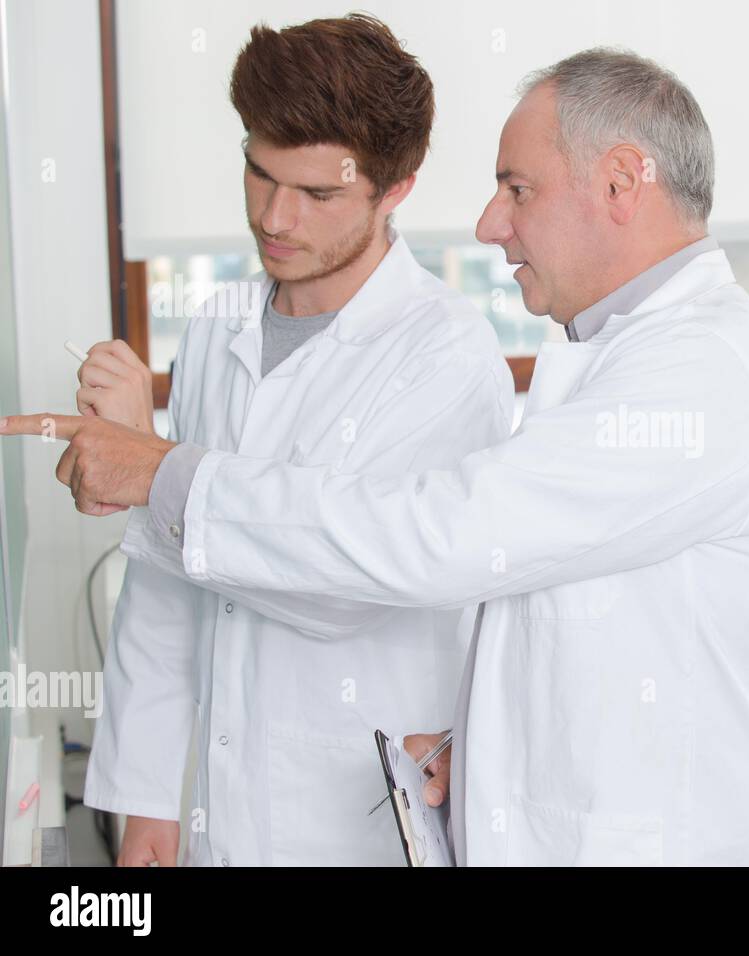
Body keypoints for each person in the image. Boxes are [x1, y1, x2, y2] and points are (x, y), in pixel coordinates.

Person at [3, 48, 749, 866]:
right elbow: (593, 638)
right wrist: (487, 747)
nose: (488, 223)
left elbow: (436, 539)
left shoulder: (704, 376)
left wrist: (159, 475)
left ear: (619, 182)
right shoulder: (617, 358)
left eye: (518, 189)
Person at [77, 14, 513, 866]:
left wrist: (155, 470)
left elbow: (339, 584)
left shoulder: (447, 355)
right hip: (216, 811)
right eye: (259, 172)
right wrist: (145, 797)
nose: (275, 218)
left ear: (396, 189)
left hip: (356, 825)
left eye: (318, 195)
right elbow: (170, 584)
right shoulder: (218, 327)